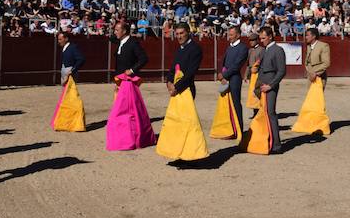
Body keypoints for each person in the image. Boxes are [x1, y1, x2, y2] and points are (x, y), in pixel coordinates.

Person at [157, 23, 209, 161]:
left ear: (188, 33)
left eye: (181, 33)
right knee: (179, 123)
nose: (179, 36)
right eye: (177, 34)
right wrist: (168, 81)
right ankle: (181, 153)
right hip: (177, 89)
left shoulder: (195, 49)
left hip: (186, 89)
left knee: (189, 124)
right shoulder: (180, 48)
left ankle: (193, 156)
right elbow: (173, 67)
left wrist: (177, 86)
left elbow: (191, 72)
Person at [106, 21, 155, 150]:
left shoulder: (132, 43)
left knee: (126, 110)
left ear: (125, 31)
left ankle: (129, 136)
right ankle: (124, 134)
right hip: (120, 81)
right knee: (122, 108)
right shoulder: (121, 42)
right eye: (115, 30)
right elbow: (111, 37)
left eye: (117, 30)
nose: (115, 32)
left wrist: (132, 70)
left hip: (128, 81)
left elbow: (144, 58)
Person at [291, 27, 331, 135]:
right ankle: (312, 123)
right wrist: (309, 72)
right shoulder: (309, 46)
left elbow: (326, 63)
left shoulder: (323, 46)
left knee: (318, 100)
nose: (306, 37)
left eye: (308, 35)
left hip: (319, 77)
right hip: (311, 76)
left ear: (314, 36)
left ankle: (319, 124)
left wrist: (315, 73)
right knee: (310, 100)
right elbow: (307, 62)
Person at [255, 26, 286, 154]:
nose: (261, 40)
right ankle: (268, 139)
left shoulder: (278, 50)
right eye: (260, 38)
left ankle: (276, 145)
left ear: (270, 36)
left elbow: (282, 71)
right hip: (263, 85)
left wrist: (271, 85)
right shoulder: (266, 50)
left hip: (269, 86)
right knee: (265, 112)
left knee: (271, 113)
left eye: (263, 38)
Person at [52, 31, 86, 132]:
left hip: (69, 73)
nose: (59, 41)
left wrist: (71, 71)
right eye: (58, 39)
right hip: (65, 71)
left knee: (72, 97)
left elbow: (81, 59)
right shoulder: (66, 48)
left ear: (66, 38)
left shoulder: (72, 47)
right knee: (66, 98)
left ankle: (74, 122)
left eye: (60, 39)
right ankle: (68, 122)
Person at [217, 25, 247, 131]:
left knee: (235, 103)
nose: (229, 37)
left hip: (234, 79)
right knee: (227, 103)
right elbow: (223, 62)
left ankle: (239, 128)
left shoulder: (243, 48)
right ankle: (230, 127)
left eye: (231, 35)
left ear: (238, 35)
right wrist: (221, 75)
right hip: (226, 79)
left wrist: (223, 75)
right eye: (229, 34)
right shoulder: (230, 47)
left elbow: (237, 65)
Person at [245, 33, 264, 116]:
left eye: (253, 40)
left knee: (258, 92)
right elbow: (248, 65)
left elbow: (263, 63)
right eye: (250, 40)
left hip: (259, 75)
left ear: (257, 40)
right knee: (252, 94)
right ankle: (255, 112)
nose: (251, 42)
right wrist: (246, 75)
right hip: (252, 75)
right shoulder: (250, 50)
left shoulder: (262, 50)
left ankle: (259, 112)